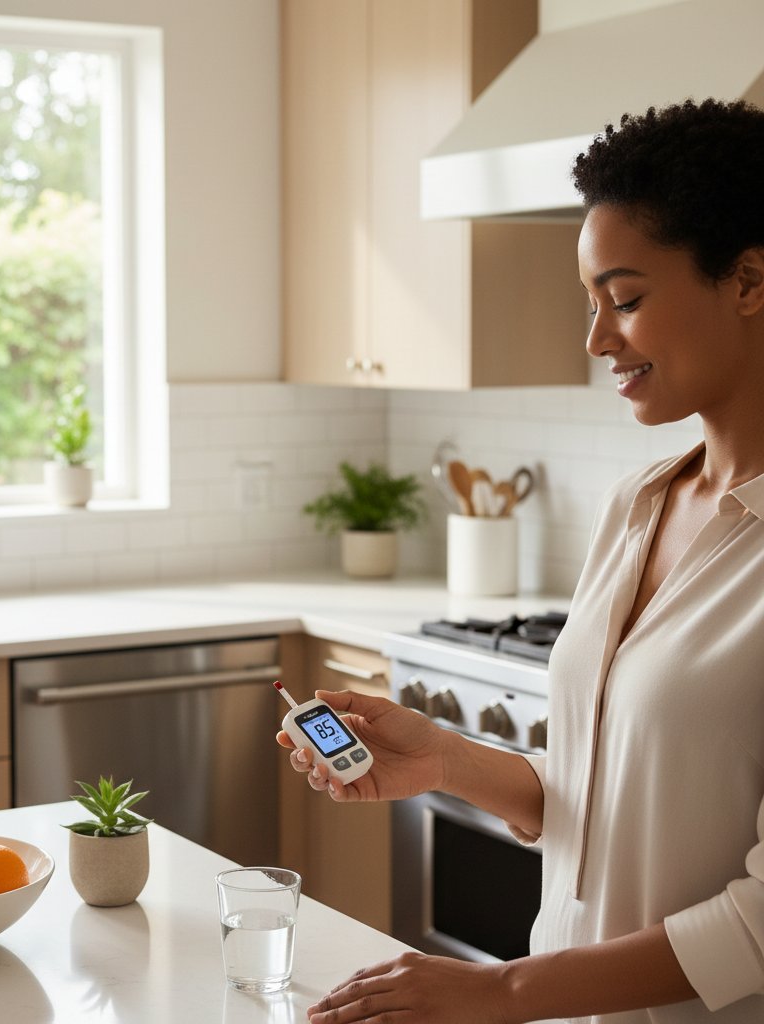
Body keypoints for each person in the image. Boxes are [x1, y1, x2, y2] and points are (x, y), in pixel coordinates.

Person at [278, 98, 764, 1024]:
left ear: (747, 280)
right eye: (591, 305)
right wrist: (446, 762)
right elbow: (612, 803)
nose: (597, 341)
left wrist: (499, 989)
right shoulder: (640, 503)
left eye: (624, 300)